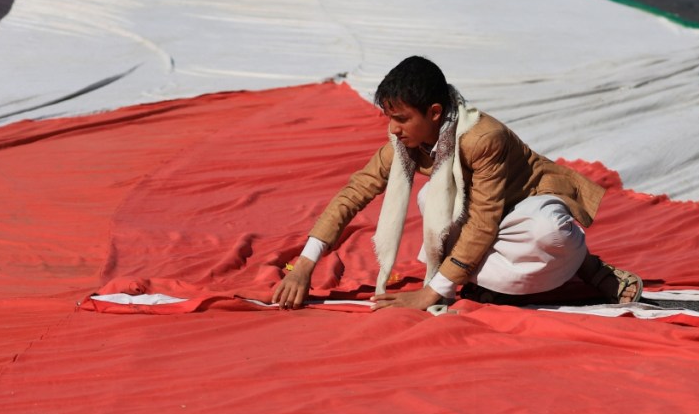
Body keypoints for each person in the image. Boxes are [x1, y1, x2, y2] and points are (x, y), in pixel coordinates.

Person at [271, 56, 642, 311]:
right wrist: (304, 265)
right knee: (434, 197)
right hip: (484, 223)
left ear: (434, 113)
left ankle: (588, 268)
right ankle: (483, 283)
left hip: (526, 205)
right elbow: (354, 193)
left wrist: (432, 292)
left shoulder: (483, 138)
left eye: (401, 118)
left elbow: (484, 219)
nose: (393, 129)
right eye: (389, 118)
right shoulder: (407, 144)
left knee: (550, 233)